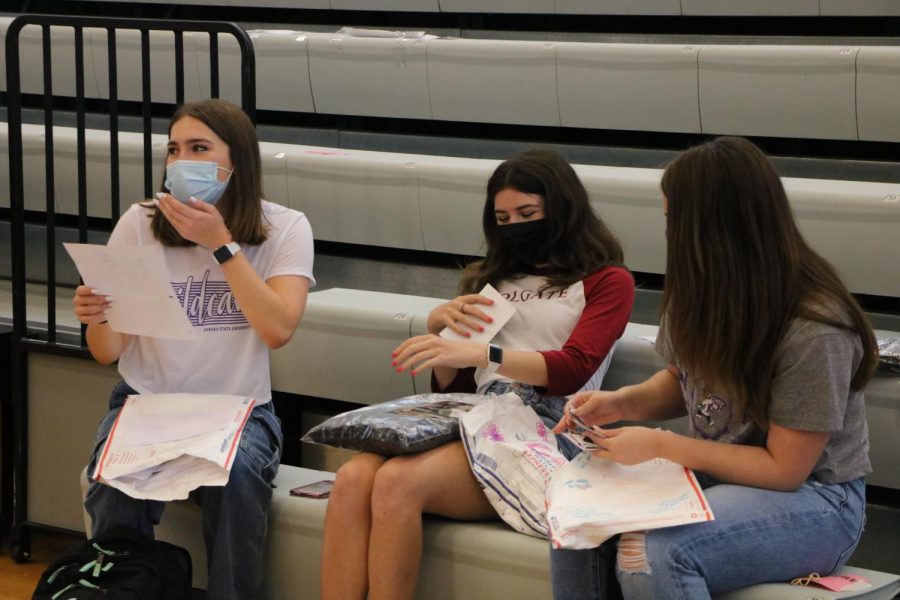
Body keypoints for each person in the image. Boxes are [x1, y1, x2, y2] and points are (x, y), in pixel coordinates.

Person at [550, 136, 877, 600]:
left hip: (819, 500)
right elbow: (681, 381)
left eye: (673, 220)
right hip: (716, 477)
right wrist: (621, 403)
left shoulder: (814, 327)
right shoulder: (697, 293)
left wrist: (663, 446)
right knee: (581, 523)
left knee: (655, 551)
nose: (669, 234)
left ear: (710, 228)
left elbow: (785, 469)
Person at [320, 148, 635, 600]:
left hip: (547, 427)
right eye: (504, 219)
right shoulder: (491, 279)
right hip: (472, 414)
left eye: (527, 213)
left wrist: (480, 350)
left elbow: (573, 368)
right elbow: (461, 382)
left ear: (562, 209)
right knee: (352, 479)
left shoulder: (607, 281)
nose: (516, 227)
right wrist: (442, 341)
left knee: (397, 481)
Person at [72, 99, 315, 600]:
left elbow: (278, 329)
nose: (182, 162)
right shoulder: (140, 222)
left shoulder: (286, 227)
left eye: (199, 148)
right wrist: (96, 315)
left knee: (240, 477)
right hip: (147, 402)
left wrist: (221, 245)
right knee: (111, 484)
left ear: (237, 161)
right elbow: (107, 350)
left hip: (239, 409)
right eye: (173, 150)